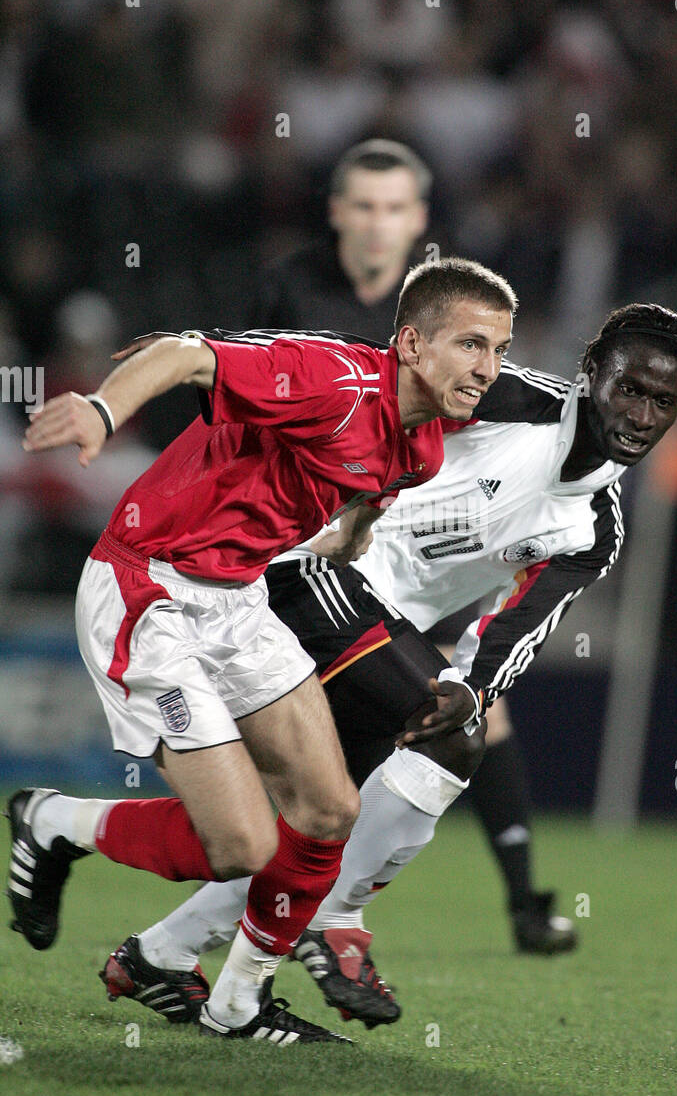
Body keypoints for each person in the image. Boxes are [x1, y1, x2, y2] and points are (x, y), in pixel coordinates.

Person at [96, 303, 677, 1030]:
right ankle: (331, 921)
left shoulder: (594, 528)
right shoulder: (510, 398)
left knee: (320, 820)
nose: (640, 413)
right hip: (306, 567)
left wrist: (469, 689)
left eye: (661, 401)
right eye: (627, 388)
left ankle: (158, 949)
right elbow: (375, 369)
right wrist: (213, 346)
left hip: (375, 629)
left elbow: (516, 629)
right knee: (444, 747)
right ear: (588, 375)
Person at [7, 258, 516, 1045]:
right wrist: (105, 414)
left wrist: (353, 531)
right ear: (411, 343)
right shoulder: (333, 378)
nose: (487, 368)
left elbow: (365, 485)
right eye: (471, 345)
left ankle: (237, 1005)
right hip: (150, 590)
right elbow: (183, 352)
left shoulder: (424, 449)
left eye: (499, 350)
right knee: (241, 846)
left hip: (239, 599)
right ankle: (55, 820)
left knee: (328, 809)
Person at [255, 135, 575, 953]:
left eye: (393, 207)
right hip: (308, 544)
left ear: (418, 218)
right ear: (336, 213)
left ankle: (518, 905)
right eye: (361, 205)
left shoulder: (440, 312)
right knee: (308, 760)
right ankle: (294, 913)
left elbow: (503, 400)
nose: (376, 223)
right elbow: (256, 397)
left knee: (461, 714)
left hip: (412, 543)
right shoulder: (292, 287)